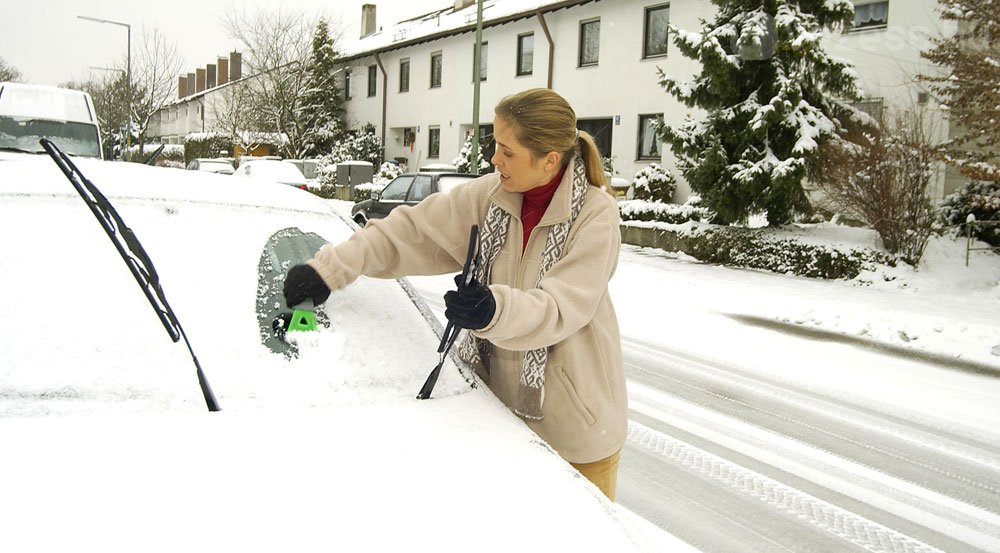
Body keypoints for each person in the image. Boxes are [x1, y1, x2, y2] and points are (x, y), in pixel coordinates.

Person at [282, 88, 627, 500]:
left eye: (506, 150)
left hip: (575, 434)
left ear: (550, 159)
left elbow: (560, 307)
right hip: (492, 419)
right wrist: (331, 268)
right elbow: (410, 230)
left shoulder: (594, 215)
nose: (494, 159)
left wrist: (492, 310)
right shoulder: (490, 196)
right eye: (492, 145)